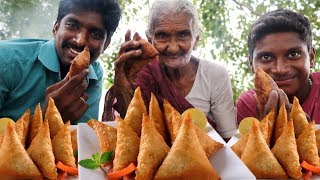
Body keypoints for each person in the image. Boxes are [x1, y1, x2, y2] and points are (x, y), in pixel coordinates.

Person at [108, 0, 237, 141]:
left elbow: (228, 139)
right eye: (162, 36)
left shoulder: (214, 75)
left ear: (196, 39)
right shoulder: (143, 75)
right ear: (151, 40)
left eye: (183, 35)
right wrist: (122, 85)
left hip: (207, 160)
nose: (173, 47)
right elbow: (132, 136)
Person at [0, 0, 121, 124]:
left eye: (96, 34)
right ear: (56, 28)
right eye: (72, 26)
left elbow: (82, 136)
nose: (80, 41)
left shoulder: (94, 73)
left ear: (106, 44)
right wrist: (48, 120)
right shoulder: (5, 60)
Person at [236, 9, 320, 124]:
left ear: (311, 58)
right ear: (251, 64)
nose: (280, 69)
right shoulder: (249, 103)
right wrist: (266, 127)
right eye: (266, 57)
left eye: (293, 54)